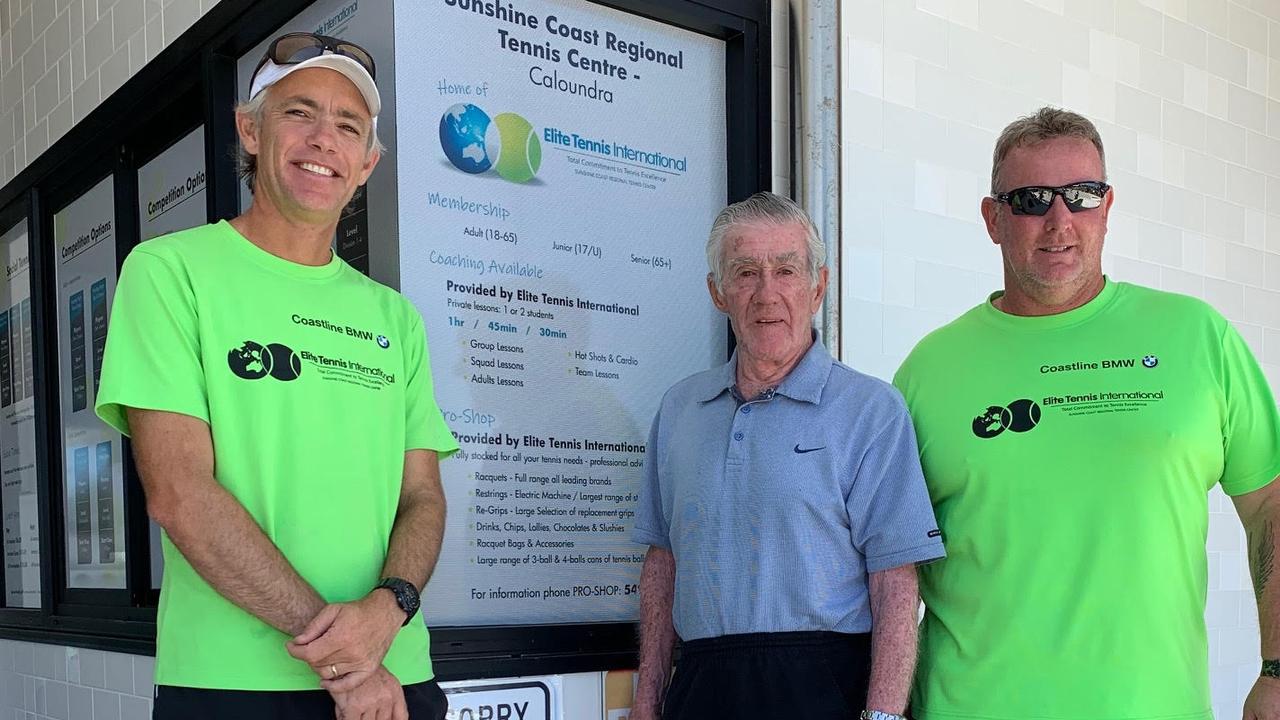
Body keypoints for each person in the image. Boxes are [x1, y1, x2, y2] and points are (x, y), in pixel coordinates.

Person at [95, 32, 456, 720]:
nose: (326, 139)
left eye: (349, 126)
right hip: (236, 684)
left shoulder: (396, 318)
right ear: (250, 129)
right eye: (300, 113)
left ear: (368, 163)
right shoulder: (170, 272)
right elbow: (178, 493)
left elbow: (423, 498)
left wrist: (391, 609)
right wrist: (347, 657)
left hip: (396, 677)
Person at [894, 106, 1280, 720]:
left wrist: (1276, 668)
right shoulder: (928, 370)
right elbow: (892, 567)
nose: (1059, 220)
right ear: (993, 219)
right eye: (1031, 199)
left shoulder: (1198, 337)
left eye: (1081, 195)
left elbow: (1269, 506)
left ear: (1107, 206)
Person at [631, 192, 945, 720]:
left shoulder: (870, 409)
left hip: (826, 691)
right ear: (717, 292)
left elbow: (896, 580)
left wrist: (885, 716)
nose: (766, 294)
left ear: (818, 286)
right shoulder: (680, 409)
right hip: (701, 689)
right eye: (746, 272)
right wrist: (646, 701)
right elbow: (662, 564)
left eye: (786, 270)